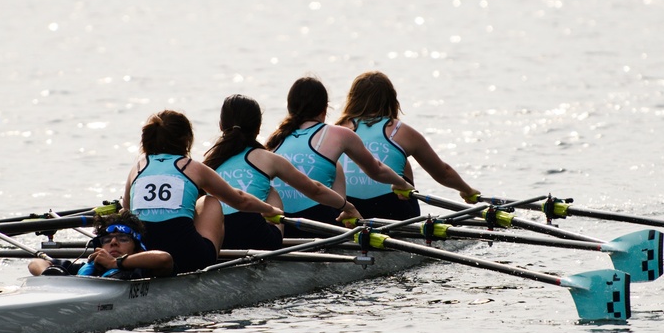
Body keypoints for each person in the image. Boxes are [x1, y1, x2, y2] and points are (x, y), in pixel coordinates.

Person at [122, 109, 283, 274]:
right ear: (186, 140)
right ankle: (211, 271)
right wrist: (270, 209)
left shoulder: (137, 169)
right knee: (209, 201)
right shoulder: (193, 168)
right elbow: (241, 200)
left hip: (142, 256)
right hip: (188, 258)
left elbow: (126, 213)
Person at [201, 94, 361, 250]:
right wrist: (348, 207)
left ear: (221, 126)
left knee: (206, 200)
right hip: (257, 238)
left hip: (220, 239)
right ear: (258, 128)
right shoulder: (267, 159)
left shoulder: (208, 162)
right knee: (271, 191)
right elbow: (315, 190)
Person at [264, 76, 419, 226]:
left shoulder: (273, 141)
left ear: (289, 108)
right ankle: (345, 219)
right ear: (325, 109)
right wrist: (401, 183)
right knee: (337, 167)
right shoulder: (339, 133)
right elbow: (376, 169)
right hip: (320, 224)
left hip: (281, 225)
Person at [335, 70, 480, 218]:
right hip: (392, 205)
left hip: (346, 208)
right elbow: (443, 173)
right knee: (403, 163)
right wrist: (467, 190)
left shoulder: (336, 130)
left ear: (352, 99)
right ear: (392, 100)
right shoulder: (399, 130)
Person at [29, 221, 154, 279]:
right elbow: (35, 263)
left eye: (123, 239)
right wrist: (50, 275)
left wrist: (114, 263)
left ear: (137, 250)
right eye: (107, 240)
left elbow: (163, 259)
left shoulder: (142, 270)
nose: (113, 242)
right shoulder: (88, 268)